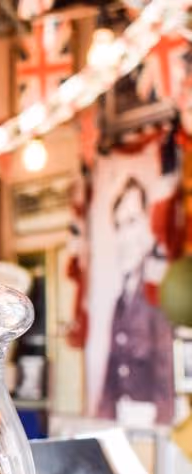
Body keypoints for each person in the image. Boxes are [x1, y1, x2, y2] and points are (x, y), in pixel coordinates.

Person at [97, 176, 175, 424]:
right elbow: (108, 388)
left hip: (150, 431)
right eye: (118, 225)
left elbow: (167, 383)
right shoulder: (120, 303)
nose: (123, 237)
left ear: (149, 228)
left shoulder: (159, 298)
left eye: (131, 222)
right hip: (120, 428)